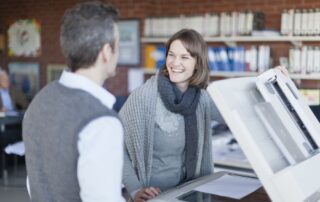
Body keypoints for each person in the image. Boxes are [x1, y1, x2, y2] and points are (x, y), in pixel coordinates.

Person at [23, 2, 124, 201]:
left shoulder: (40, 100)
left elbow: (33, 182)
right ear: (105, 52)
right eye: (117, 46)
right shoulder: (101, 122)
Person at [120, 29, 225, 202]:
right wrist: (135, 189)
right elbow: (116, 145)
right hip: (153, 198)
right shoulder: (144, 98)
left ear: (197, 63)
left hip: (189, 194)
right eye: (171, 55)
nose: (175, 63)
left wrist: (275, 83)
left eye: (184, 57)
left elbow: (237, 116)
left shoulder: (202, 99)